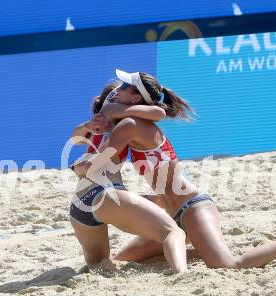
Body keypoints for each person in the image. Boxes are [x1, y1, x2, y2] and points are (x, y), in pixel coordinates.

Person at [87, 69, 276, 269]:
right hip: (172, 213)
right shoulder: (136, 122)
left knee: (229, 266)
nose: (116, 90)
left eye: (123, 87)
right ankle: (201, 252)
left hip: (192, 207)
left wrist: (102, 121)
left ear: (135, 97)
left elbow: (102, 161)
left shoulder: (131, 124)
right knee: (123, 260)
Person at [68, 82, 187, 273]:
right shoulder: (121, 128)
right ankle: (182, 274)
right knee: (174, 232)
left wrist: (85, 129)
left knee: (99, 265)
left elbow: (75, 137)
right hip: (105, 195)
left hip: (79, 207)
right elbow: (158, 113)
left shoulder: (96, 126)